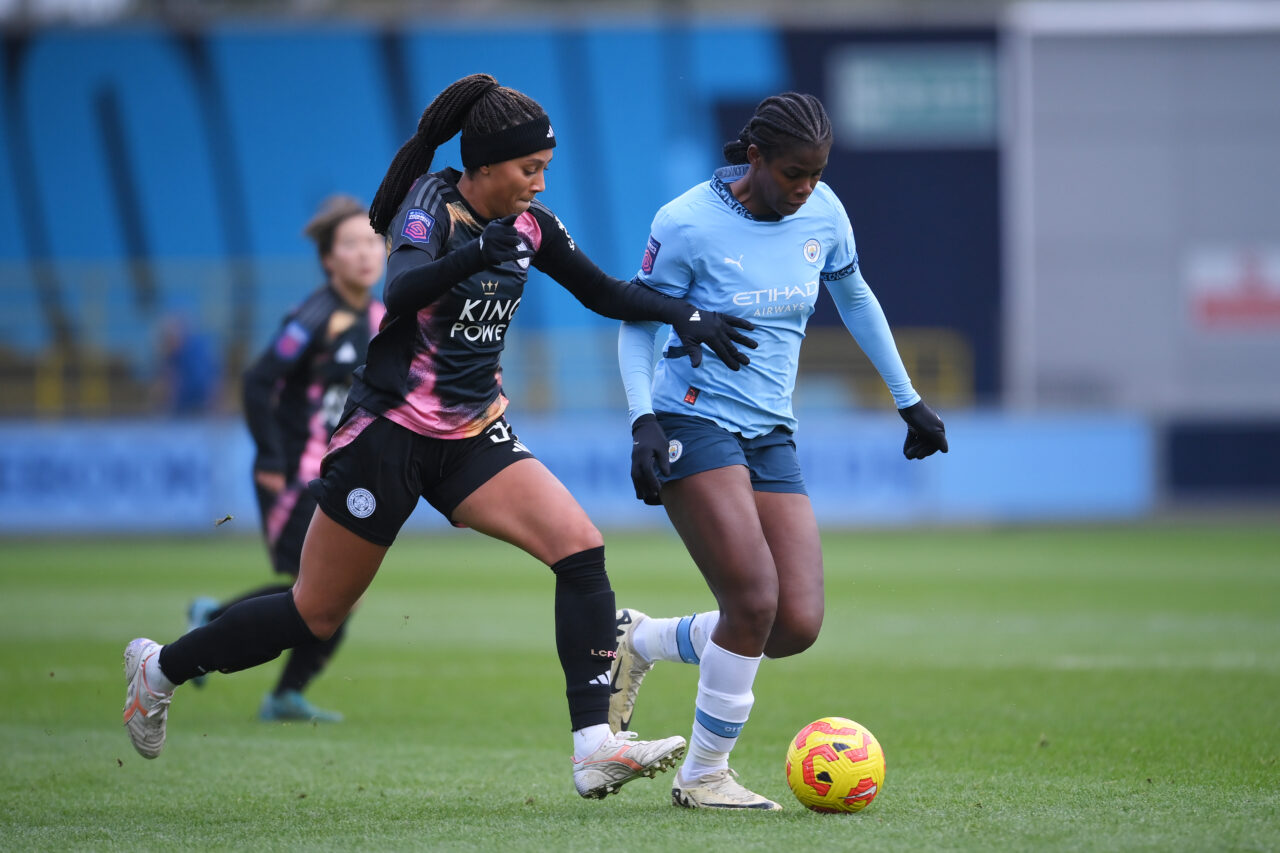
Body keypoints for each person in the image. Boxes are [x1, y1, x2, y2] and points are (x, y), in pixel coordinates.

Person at [121, 73, 757, 801]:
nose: (540, 185)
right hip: (385, 436)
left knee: (579, 547)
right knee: (315, 611)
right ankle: (159, 669)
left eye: (545, 169)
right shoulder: (431, 206)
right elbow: (401, 290)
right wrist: (480, 249)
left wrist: (686, 315)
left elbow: (604, 290)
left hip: (472, 434)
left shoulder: (528, 226)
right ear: (484, 164)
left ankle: (593, 747)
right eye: (529, 169)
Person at [611, 92, 948, 810]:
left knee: (793, 622)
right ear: (754, 156)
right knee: (752, 599)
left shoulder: (823, 211)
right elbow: (639, 321)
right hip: (690, 418)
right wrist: (642, 419)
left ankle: (642, 638)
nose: (806, 188)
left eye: (818, 172)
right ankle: (704, 775)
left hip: (771, 430)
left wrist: (907, 397)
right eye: (795, 172)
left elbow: (854, 294)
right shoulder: (685, 223)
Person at [185, 195, 386, 723]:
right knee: (328, 591)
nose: (366, 253)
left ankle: (255, 662)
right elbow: (256, 381)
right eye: (351, 244)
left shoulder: (381, 315)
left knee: (336, 594)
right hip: (295, 473)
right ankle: (268, 679)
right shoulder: (313, 316)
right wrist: (270, 455)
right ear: (328, 259)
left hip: (336, 472)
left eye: (373, 241)